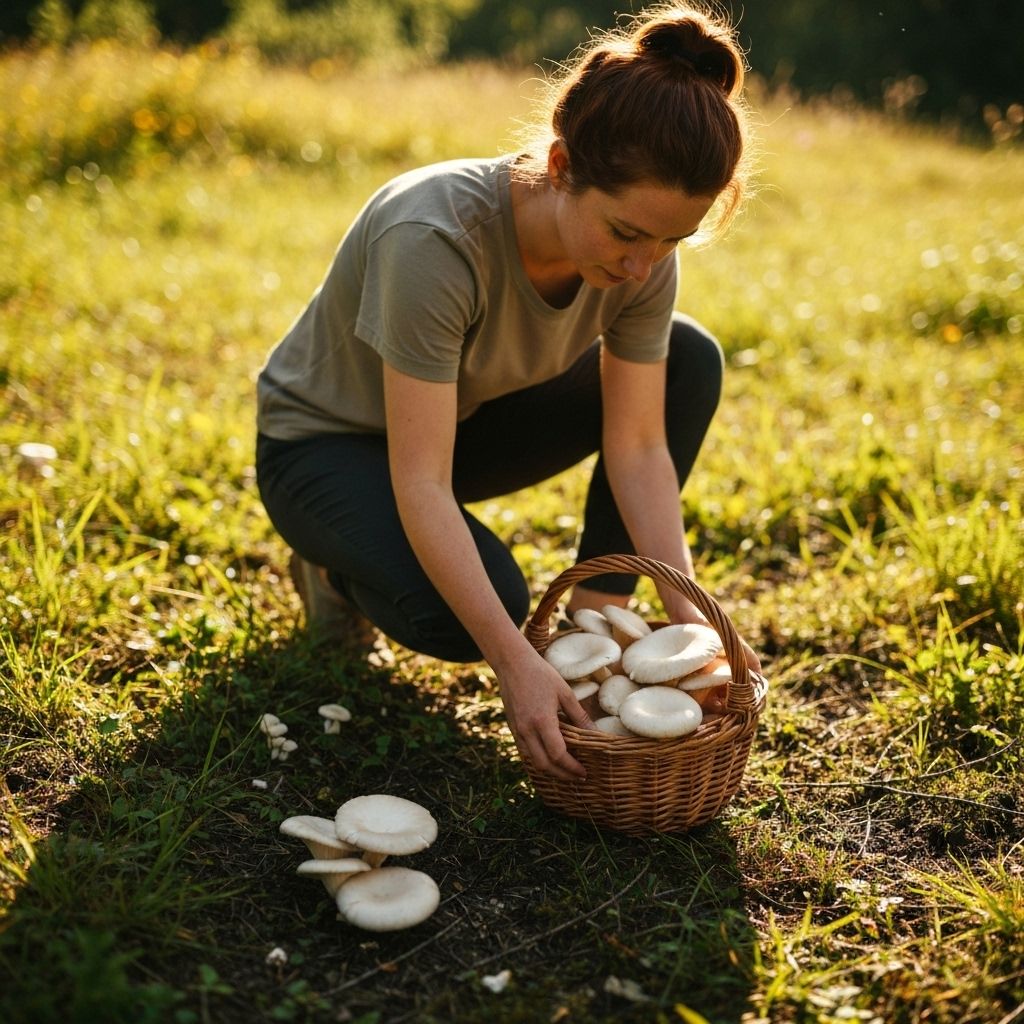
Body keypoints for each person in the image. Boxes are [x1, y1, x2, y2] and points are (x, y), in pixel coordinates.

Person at [255, 1, 759, 783]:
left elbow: (639, 446)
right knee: (470, 617)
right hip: (325, 449)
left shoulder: (645, 263)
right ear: (561, 168)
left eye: (672, 241)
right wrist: (515, 660)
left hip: (463, 426)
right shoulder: (432, 239)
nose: (643, 267)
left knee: (689, 358)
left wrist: (689, 619)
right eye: (626, 233)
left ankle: (602, 617)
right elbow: (419, 480)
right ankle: (331, 567)